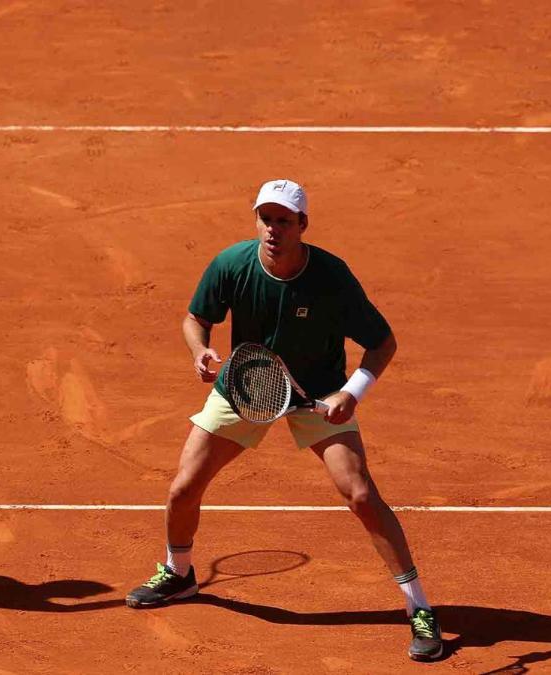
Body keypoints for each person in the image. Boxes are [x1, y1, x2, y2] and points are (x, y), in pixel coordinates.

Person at [124, 179, 443, 662]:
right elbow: (195, 319)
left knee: (360, 494)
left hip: (316, 393)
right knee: (182, 489)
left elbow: (382, 342)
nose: (273, 229)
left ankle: (419, 607)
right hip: (247, 387)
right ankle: (179, 571)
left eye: (284, 221)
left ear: (302, 226)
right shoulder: (232, 264)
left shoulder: (333, 277)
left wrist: (351, 393)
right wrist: (201, 351)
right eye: (266, 218)